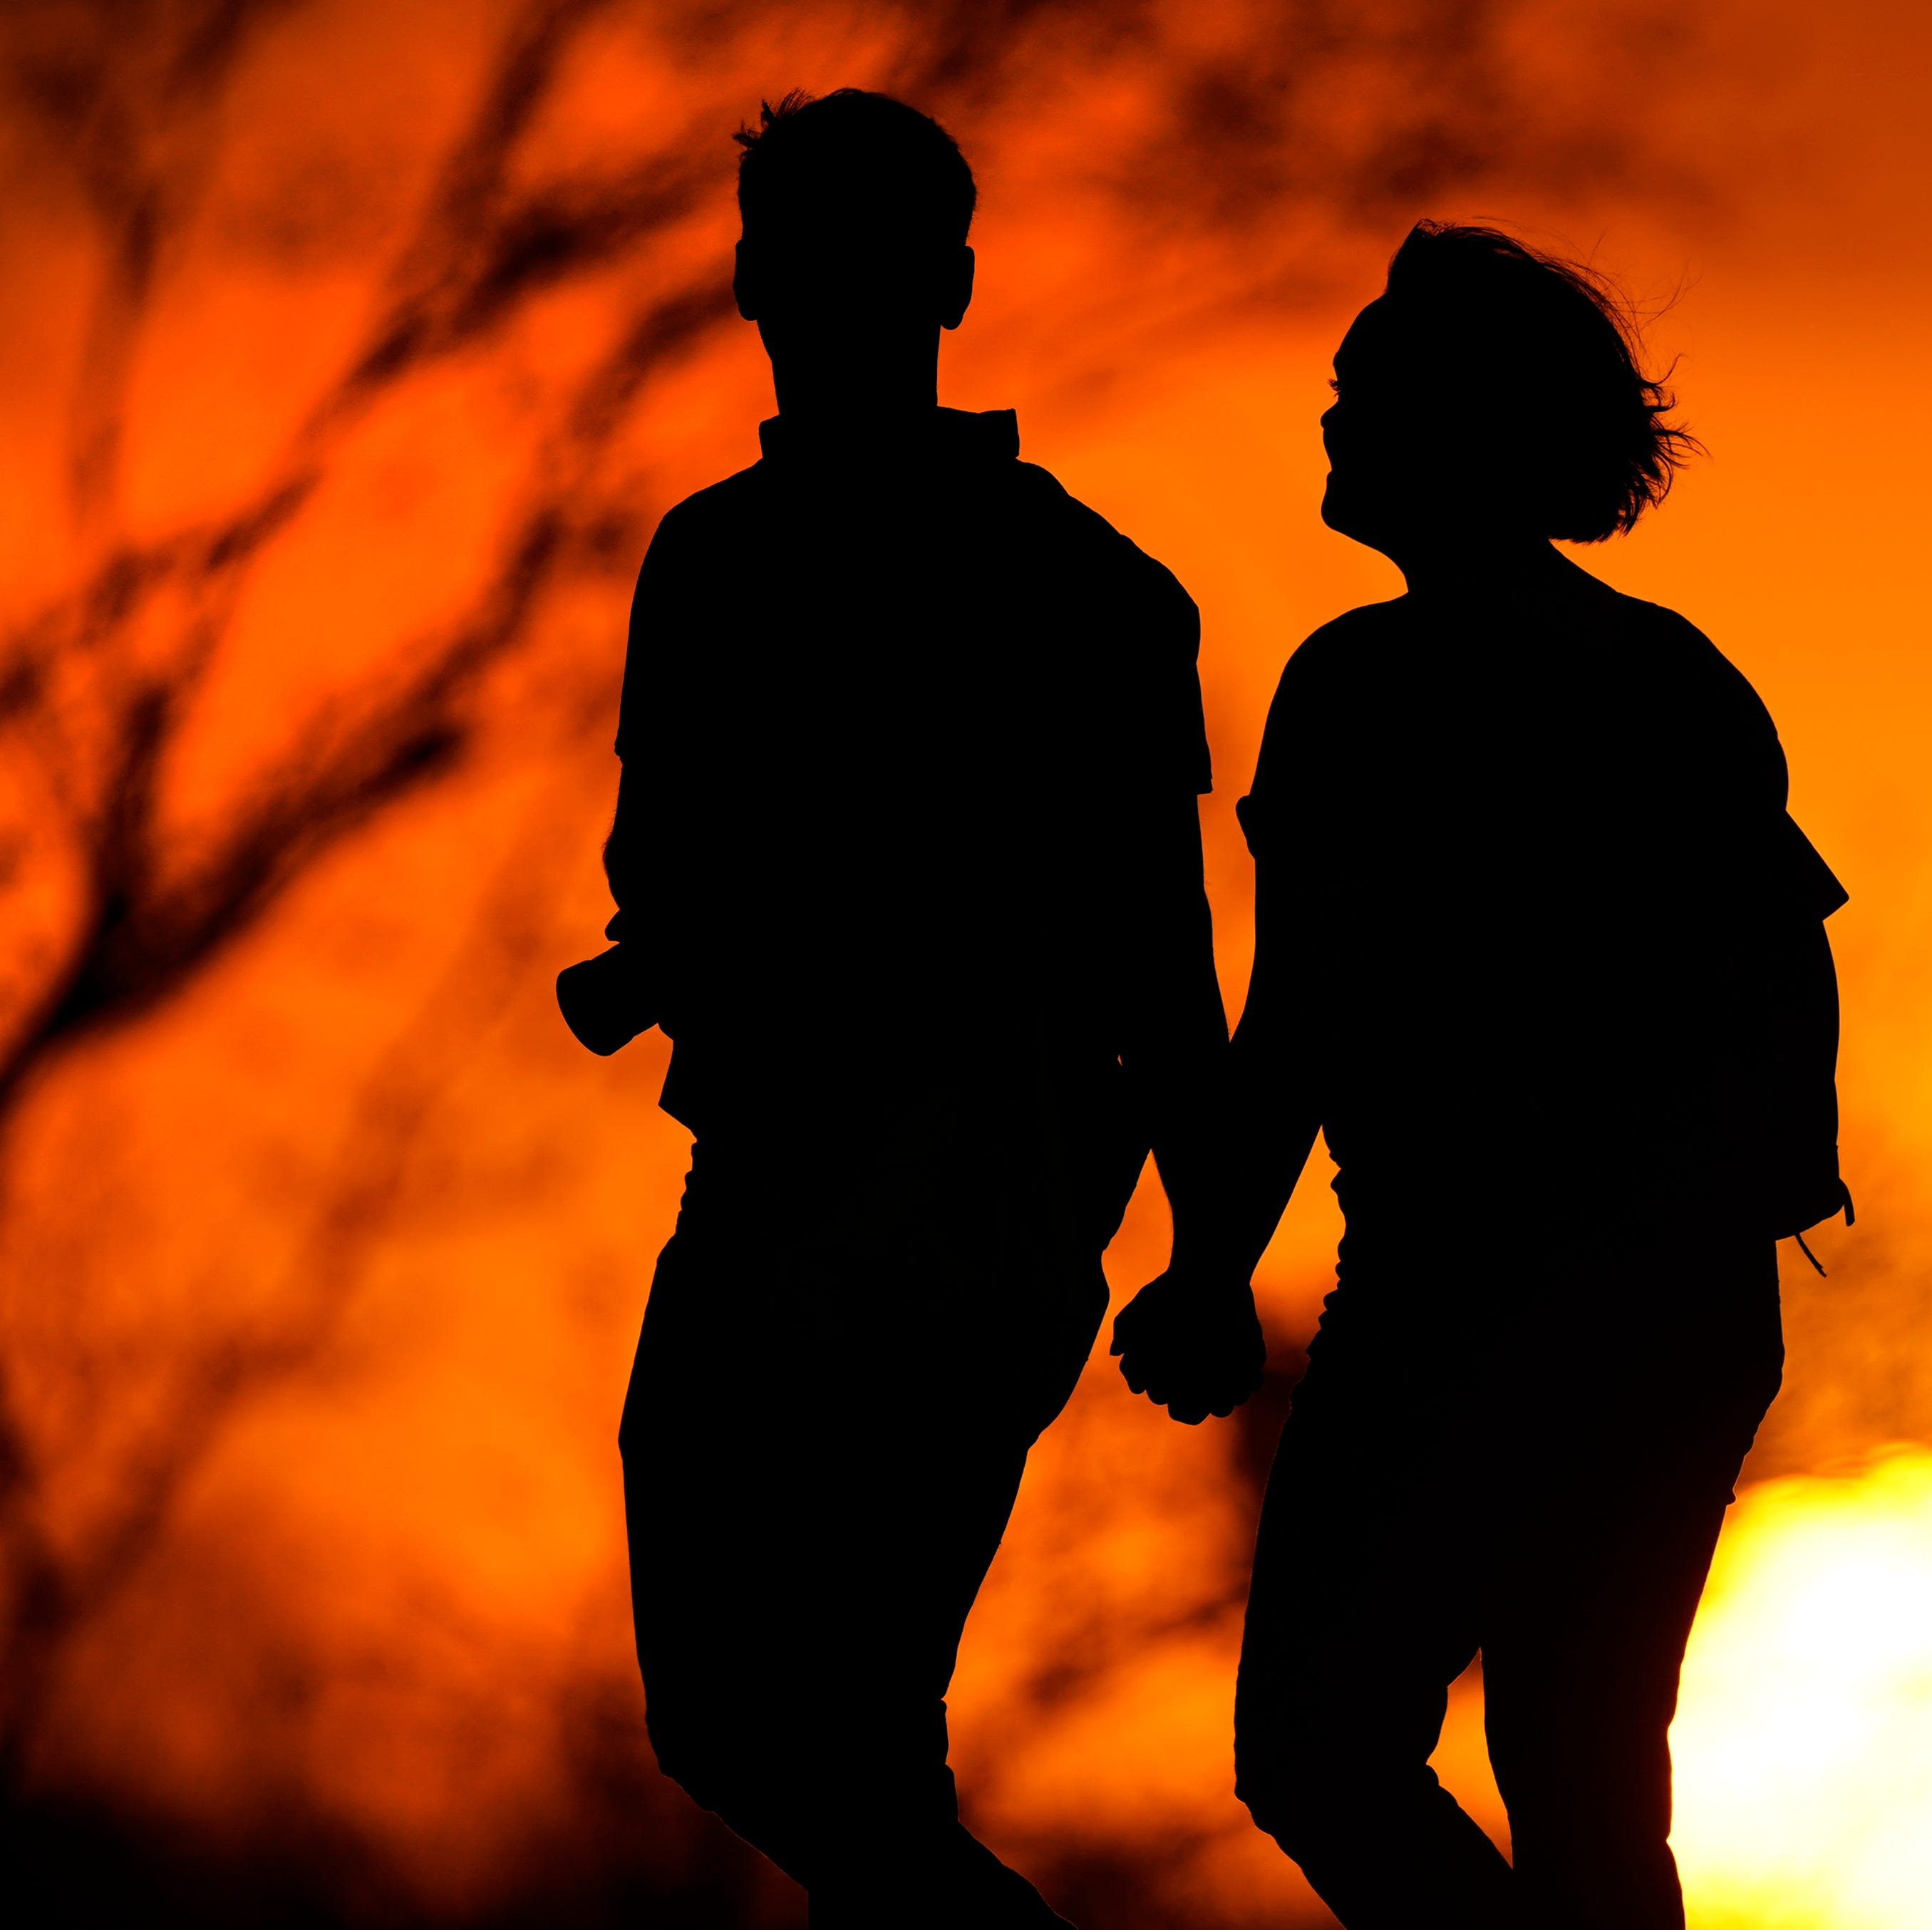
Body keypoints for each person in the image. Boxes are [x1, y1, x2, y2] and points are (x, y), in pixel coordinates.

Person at [1115, 222, 1849, 1930]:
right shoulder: (1676, 678)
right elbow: (1790, 967)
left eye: (1364, 395)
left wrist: (1213, 1266)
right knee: (1585, 1778)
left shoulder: (1364, 688)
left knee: (1321, 1746)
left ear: (1459, 430)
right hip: (1679, 1306)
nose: (1330, 423)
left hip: (1466, 1296)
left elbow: (1296, 1017)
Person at [556, 88, 1222, 1929]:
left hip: (976, 1208)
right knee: (758, 1728)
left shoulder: (1081, 588)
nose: (822, 290)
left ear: (947, 280)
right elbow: (662, 874)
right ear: (756, 279)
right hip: (780, 1188)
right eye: (801, 251)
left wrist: (1208, 1242)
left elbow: (1161, 955)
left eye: (862, 252)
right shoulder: (713, 563)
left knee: (821, 1735)